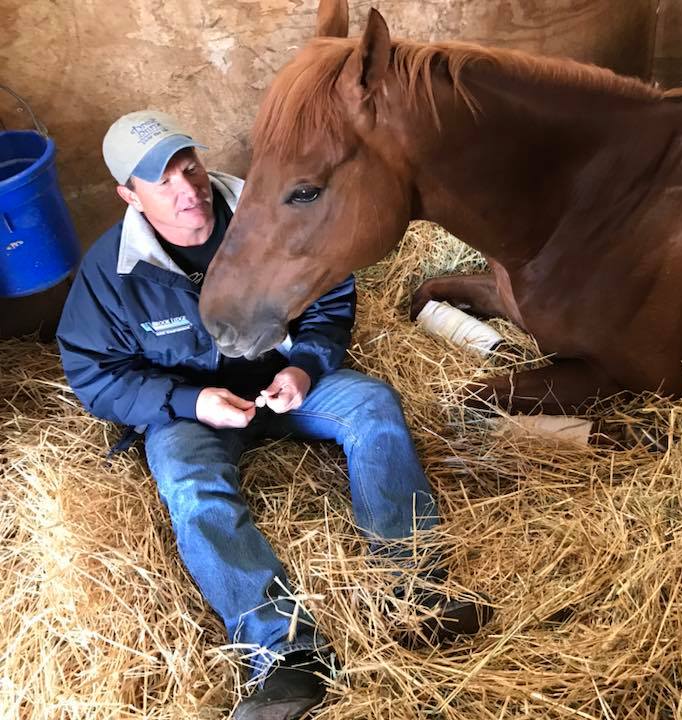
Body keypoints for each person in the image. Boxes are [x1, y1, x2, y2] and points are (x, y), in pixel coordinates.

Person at [56, 110, 492, 719]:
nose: (187, 187)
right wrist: (190, 401)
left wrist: (305, 367)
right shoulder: (113, 272)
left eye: (189, 163)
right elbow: (94, 373)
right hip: (191, 407)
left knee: (371, 406)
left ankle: (415, 588)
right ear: (128, 195)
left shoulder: (267, 213)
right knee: (188, 484)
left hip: (281, 381)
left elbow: (331, 293)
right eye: (161, 181)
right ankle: (287, 653)